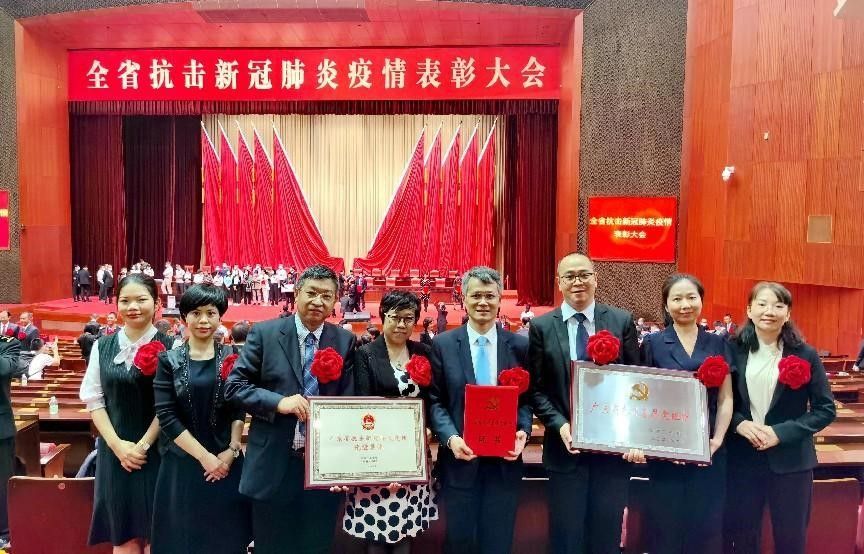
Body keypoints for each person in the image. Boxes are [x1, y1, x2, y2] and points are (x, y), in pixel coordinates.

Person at [224, 265, 356, 554]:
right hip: (273, 464)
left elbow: (347, 403)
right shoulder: (265, 333)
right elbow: (234, 387)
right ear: (296, 294)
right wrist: (278, 402)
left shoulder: (344, 340)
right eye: (311, 293)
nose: (318, 301)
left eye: (326, 296)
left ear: (335, 301)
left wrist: (341, 465)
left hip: (321, 468)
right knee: (272, 546)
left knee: (316, 546)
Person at [528, 252, 639, 554]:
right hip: (564, 452)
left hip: (612, 453)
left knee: (605, 537)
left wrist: (631, 434)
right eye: (570, 276)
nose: (578, 282)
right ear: (559, 283)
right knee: (566, 538)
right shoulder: (541, 327)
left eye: (584, 275)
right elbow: (536, 390)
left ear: (595, 278)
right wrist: (561, 426)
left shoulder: (620, 321)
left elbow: (636, 383)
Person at [724, 282, 836, 554]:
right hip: (743, 458)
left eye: (778, 305)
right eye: (762, 304)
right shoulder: (732, 349)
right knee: (742, 536)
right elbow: (719, 401)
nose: (769, 311)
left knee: (790, 539)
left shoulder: (805, 354)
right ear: (749, 310)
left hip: (792, 461)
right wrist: (739, 424)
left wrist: (780, 433)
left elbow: (825, 409)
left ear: (787, 314)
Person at [427, 266, 531, 554]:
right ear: (464, 299)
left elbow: (527, 400)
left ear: (499, 300)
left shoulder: (519, 346)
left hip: (504, 464)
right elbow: (435, 401)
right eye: (476, 296)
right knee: (458, 542)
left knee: (498, 543)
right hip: (460, 463)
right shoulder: (444, 345)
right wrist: (451, 438)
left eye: (489, 296)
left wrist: (522, 431)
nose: (483, 302)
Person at [151, 284, 252, 553]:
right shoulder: (168, 360)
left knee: (226, 540)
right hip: (182, 464)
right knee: (182, 541)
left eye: (211, 313)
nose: (204, 320)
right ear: (184, 317)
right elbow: (166, 415)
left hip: (226, 462)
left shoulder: (234, 357)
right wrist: (205, 457)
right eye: (196, 313)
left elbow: (238, 407)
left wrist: (232, 450)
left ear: (220, 317)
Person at [79, 274, 173, 553]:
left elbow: (170, 404)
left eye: (141, 299)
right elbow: (95, 400)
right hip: (115, 455)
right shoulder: (102, 346)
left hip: (160, 452)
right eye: (125, 300)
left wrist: (142, 446)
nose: (133, 307)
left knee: (159, 539)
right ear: (116, 304)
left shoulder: (173, 347)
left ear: (156, 303)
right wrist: (118, 447)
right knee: (123, 538)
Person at [639, 274, 733, 553]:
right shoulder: (653, 343)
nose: (685, 305)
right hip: (665, 455)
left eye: (691, 297)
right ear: (666, 305)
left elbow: (726, 398)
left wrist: (717, 440)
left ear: (701, 300)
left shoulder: (718, 343)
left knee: (705, 531)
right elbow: (642, 398)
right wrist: (659, 446)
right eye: (677, 299)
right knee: (665, 530)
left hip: (709, 452)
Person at [343, 291, 438, 552]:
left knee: (405, 531)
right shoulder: (365, 354)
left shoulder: (423, 352)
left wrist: (429, 427)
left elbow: (433, 398)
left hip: (413, 456)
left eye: (408, 318)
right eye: (395, 317)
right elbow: (364, 405)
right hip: (376, 453)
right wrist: (387, 461)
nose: (401, 324)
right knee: (377, 534)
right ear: (383, 317)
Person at [0, 331, 20, 550]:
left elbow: (5, 369)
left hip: (0, 428)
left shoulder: (8, 344)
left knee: (2, 484)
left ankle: (5, 534)